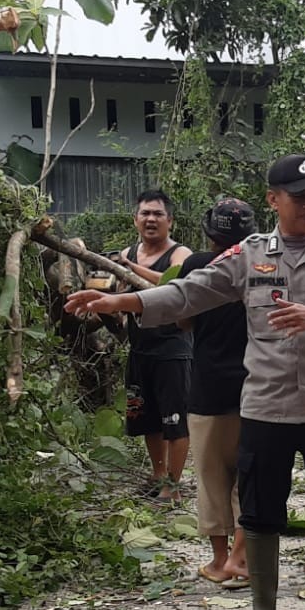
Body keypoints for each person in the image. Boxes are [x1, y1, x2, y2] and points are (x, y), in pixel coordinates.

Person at [66, 155, 305, 610]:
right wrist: (123, 301)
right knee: (258, 510)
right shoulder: (249, 254)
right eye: (299, 197)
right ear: (273, 200)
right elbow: (192, 292)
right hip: (265, 406)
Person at [179, 197, 258, 586]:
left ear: (210, 233)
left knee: (212, 478)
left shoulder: (196, 265)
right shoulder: (263, 266)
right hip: (255, 386)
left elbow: (184, 320)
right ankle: (243, 561)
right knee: (250, 476)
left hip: (208, 386)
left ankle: (218, 561)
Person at [113, 190, 195, 501]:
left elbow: (175, 286)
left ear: (170, 220)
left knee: (174, 420)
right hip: (140, 347)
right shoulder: (128, 252)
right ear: (135, 219)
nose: (151, 219)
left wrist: (127, 269)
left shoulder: (180, 254)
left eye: (157, 214)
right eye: (145, 213)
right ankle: (158, 475)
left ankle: (173, 487)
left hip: (173, 349)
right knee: (147, 417)